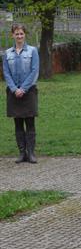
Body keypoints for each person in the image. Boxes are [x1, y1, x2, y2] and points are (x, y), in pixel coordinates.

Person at [3, 23, 39, 164]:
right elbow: (6, 73)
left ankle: (31, 153)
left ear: (25, 35)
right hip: (13, 93)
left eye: (21, 33)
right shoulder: (7, 53)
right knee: (18, 123)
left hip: (29, 92)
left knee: (30, 122)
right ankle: (21, 153)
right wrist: (14, 89)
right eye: (16, 33)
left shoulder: (32, 51)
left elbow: (34, 71)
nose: (19, 36)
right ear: (13, 35)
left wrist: (23, 89)